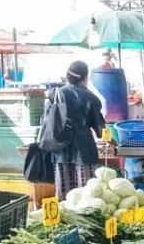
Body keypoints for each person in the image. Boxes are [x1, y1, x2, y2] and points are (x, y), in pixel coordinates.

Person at [45, 61, 105, 198]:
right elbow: (101, 130)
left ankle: (63, 217)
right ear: (85, 77)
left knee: (65, 195)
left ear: (67, 76)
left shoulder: (55, 95)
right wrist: (112, 141)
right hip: (83, 152)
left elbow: (46, 121)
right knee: (86, 195)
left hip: (60, 150)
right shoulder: (90, 97)